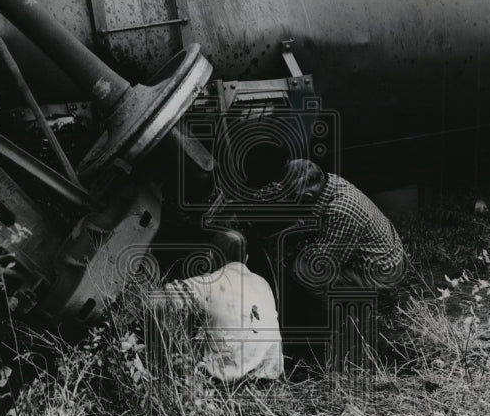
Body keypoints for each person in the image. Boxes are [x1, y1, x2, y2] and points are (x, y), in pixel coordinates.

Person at [269, 159, 408, 373]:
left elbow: (323, 265)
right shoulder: (327, 182)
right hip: (370, 253)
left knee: (302, 272)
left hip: (381, 270)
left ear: (306, 197)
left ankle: (342, 329)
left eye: (288, 198)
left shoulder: (341, 210)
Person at [154, 230, 283, 383]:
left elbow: (155, 302)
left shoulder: (207, 284)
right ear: (246, 259)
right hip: (268, 384)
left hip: (223, 388)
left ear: (210, 256)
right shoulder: (264, 284)